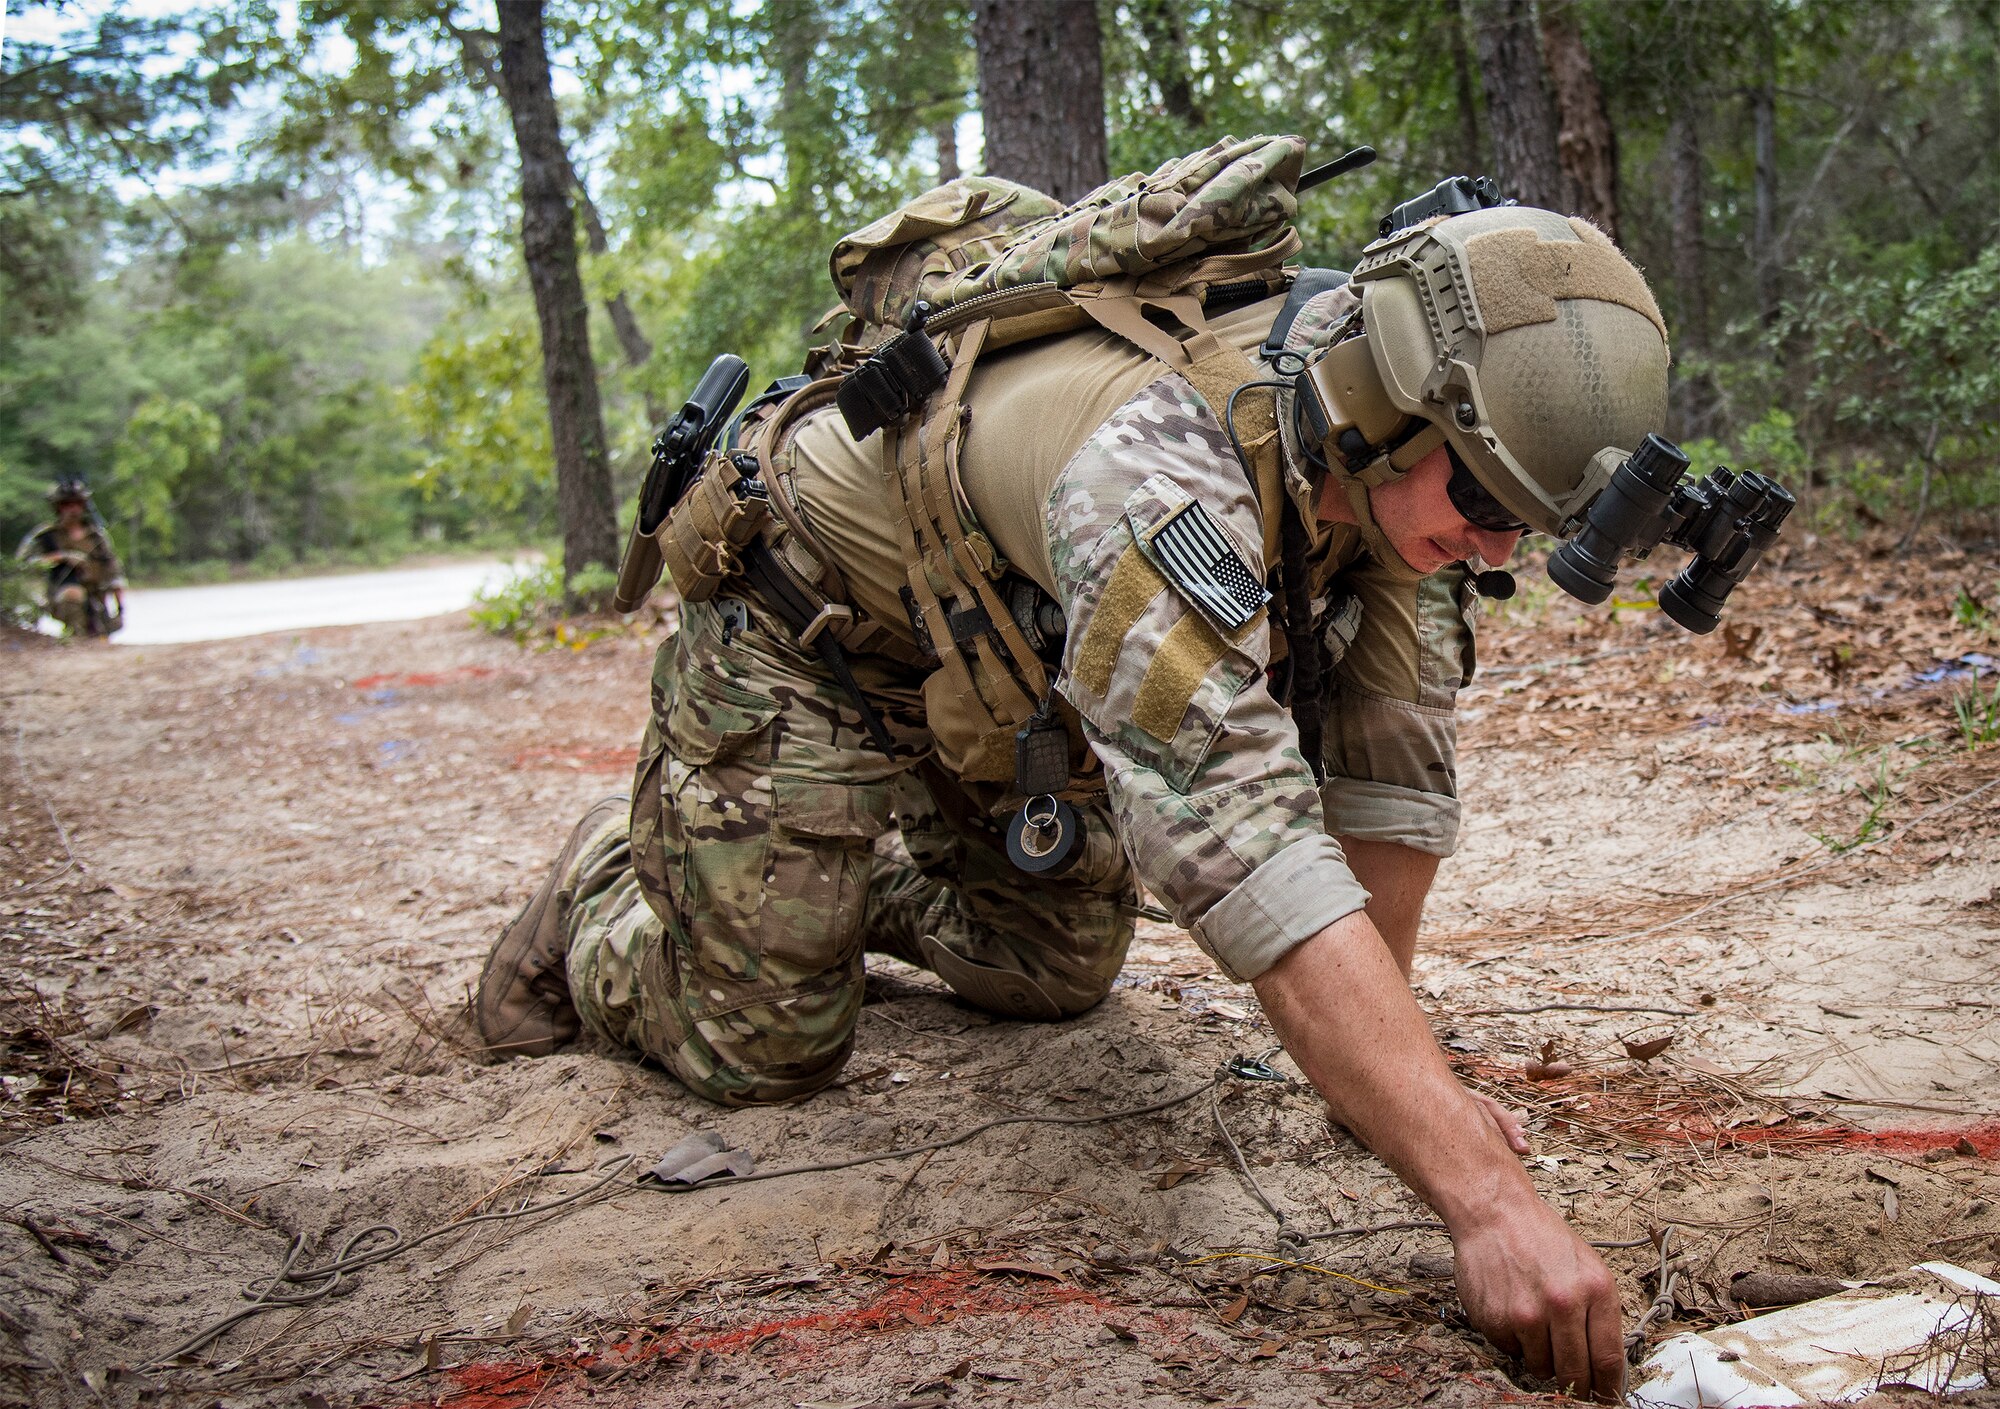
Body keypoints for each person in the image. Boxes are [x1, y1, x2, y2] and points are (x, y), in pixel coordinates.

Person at [476, 202, 1672, 1400]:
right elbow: (1243, 844)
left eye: (1526, 525)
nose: (1493, 548)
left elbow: (1388, 784)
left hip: (992, 668)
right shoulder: (1154, 468)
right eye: (1486, 506)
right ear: (1388, 409)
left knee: (1053, 965)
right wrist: (1485, 1199)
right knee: (764, 1049)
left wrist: (1394, 1100)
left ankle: (828, 878)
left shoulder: (1386, 492)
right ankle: (611, 882)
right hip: (805, 637)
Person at [16, 478, 125, 638]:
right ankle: (76, 638)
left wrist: (120, 610)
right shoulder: (45, 536)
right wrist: (61, 557)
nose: (73, 509)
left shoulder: (97, 537)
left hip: (95, 600)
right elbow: (22, 564)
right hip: (59, 596)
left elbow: (114, 574)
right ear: (58, 507)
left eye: (77, 504)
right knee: (73, 595)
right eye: (67, 504)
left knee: (99, 637)